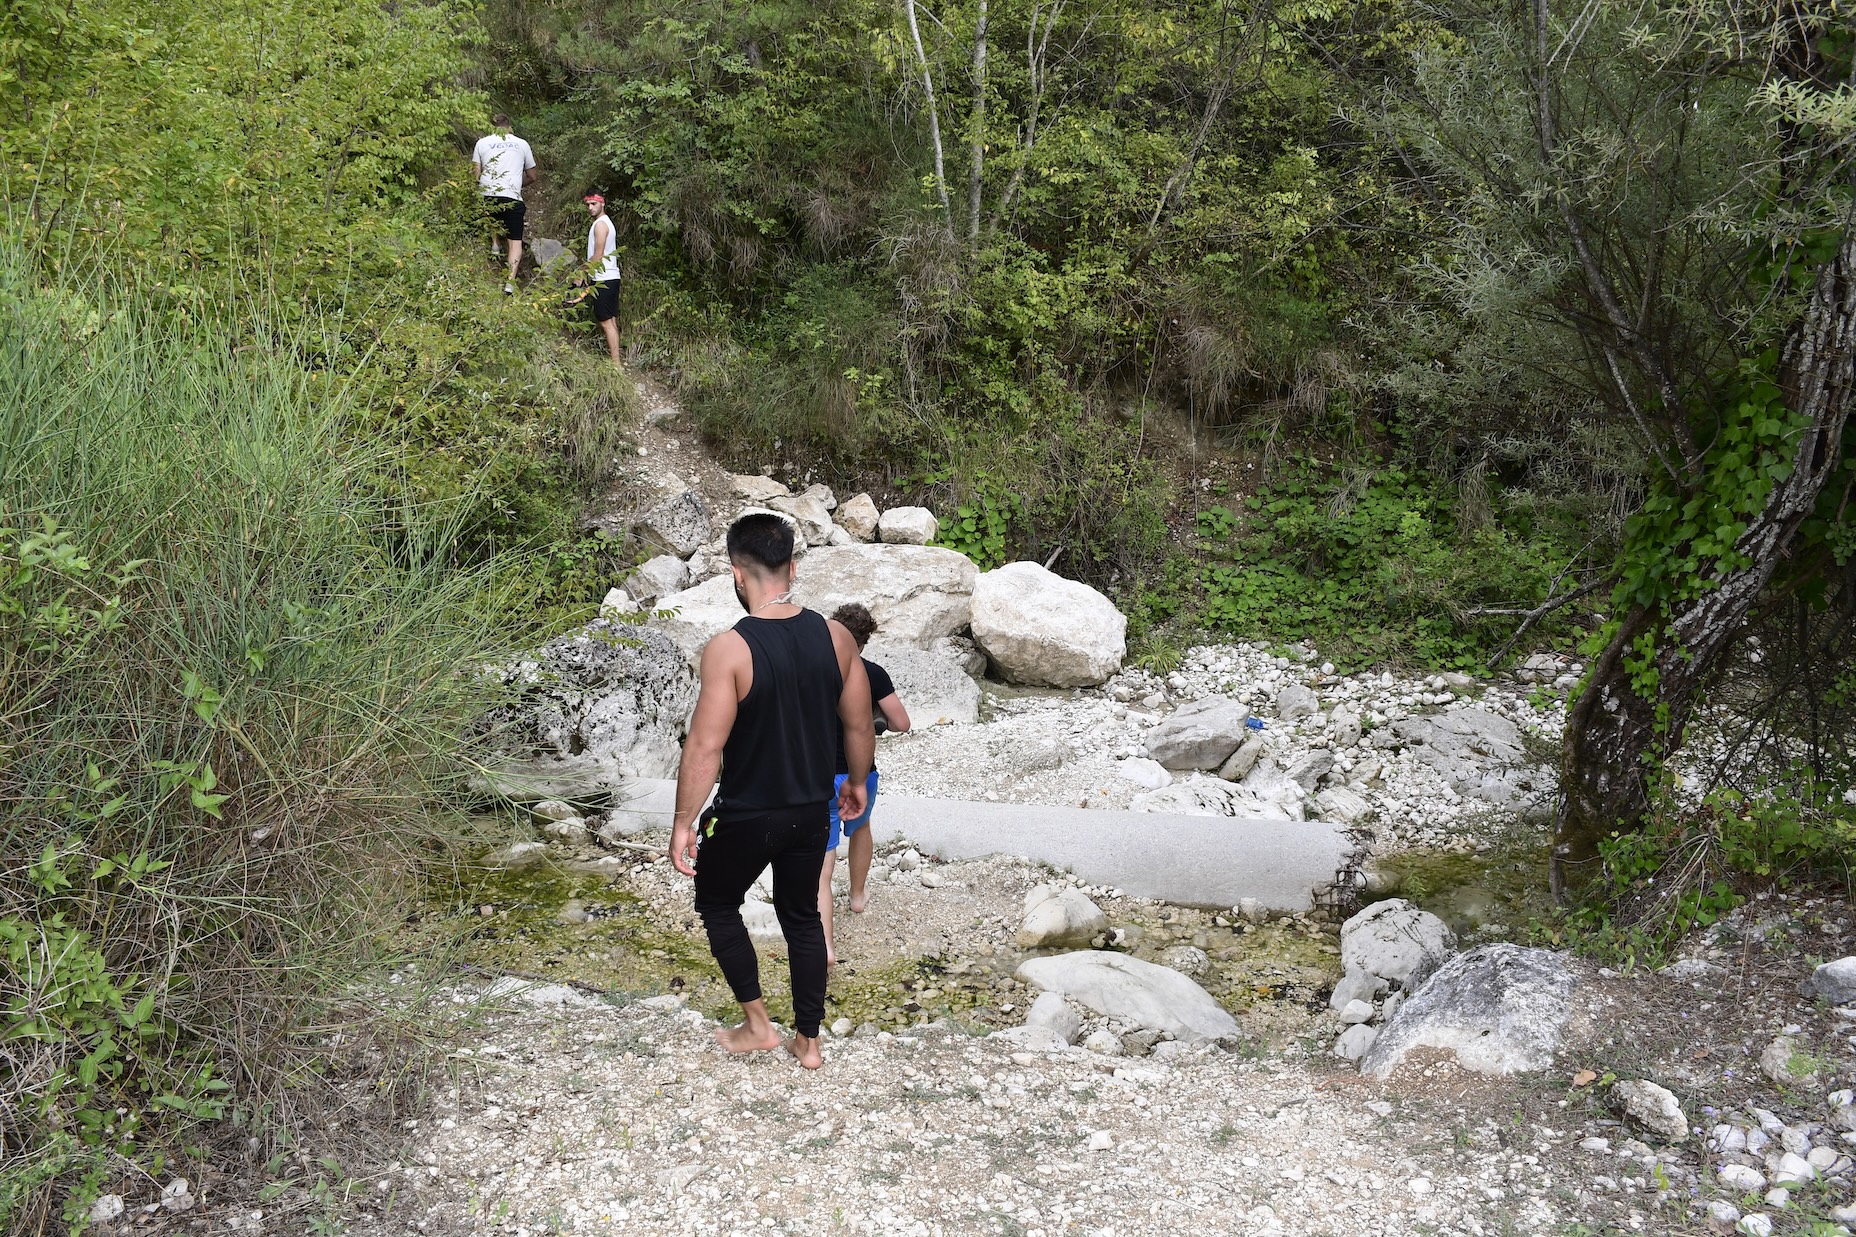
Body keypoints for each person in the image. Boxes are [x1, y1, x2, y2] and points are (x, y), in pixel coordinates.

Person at [668, 513, 875, 1070]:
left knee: (716, 903)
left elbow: (704, 748)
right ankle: (809, 1042)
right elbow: (858, 724)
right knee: (803, 917)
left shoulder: (729, 649)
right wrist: (855, 784)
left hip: (746, 815)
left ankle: (758, 1025)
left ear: (737, 574)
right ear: (793, 567)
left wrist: (684, 821)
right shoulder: (835, 637)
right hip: (811, 811)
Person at [817, 603, 910, 965]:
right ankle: (857, 896)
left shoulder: (815, 670)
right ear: (865, 640)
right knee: (861, 829)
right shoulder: (872, 673)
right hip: (860, 773)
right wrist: (871, 723)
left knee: (822, 864)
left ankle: (825, 946)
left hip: (820, 775)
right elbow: (901, 722)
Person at [470, 114, 537, 294]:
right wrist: (516, 183)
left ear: (492, 127)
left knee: (491, 211)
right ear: (509, 127)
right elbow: (532, 176)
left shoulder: (481, 143)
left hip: (487, 195)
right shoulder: (522, 144)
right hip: (512, 196)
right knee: (515, 242)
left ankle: (494, 244)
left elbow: (476, 175)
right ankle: (509, 284)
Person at [577, 192, 622, 367]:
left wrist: (582, 274)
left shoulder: (601, 225)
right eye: (588, 204)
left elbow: (598, 255)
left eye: (594, 204)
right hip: (611, 276)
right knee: (610, 320)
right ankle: (616, 361)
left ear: (602, 204)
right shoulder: (605, 223)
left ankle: (616, 364)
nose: (590, 208)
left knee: (605, 322)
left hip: (603, 278)